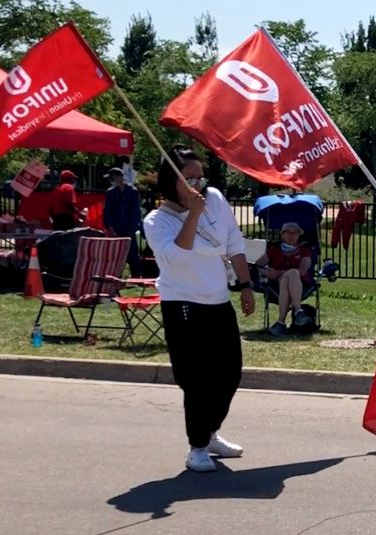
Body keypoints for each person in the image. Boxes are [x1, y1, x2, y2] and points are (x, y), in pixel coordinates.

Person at [142, 145, 256, 473]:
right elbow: (177, 256)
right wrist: (192, 214)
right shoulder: (156, 221)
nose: (197, 184)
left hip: (217, 299)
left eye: (199, 176)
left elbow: (234, 242)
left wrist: (246, 286)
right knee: (196, 380)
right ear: (170, 181)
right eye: (188, 178)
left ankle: (211, 432)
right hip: (182, 304)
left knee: (229, 374)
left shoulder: (216, 199)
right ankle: (197, 448)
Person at [255, 221, 313, 336]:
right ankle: (298, 311)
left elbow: (303, 270)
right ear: (282, 235)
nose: (291, 236)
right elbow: (257, 266)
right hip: (276, 284)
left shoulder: (305, 251)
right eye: (288, 233)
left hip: (299, 283)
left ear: (299, 235)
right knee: (289, 276)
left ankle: (281, 322)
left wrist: (279, 272)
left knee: (292, 274)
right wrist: (266, 272)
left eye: (295, 233)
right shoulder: (274, 250)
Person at [103, 167, 143, 277]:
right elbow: (107, 211)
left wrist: (134, 227)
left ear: (120, 177)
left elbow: (136, 211)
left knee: (133, 254)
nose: (111, 180)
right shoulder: (110, 193)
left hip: (129, 229)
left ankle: (136, 277)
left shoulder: (132, 192)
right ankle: (116, 277)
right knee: (115, 255)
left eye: (112, 177)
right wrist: (109, 226)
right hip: (115, 229)